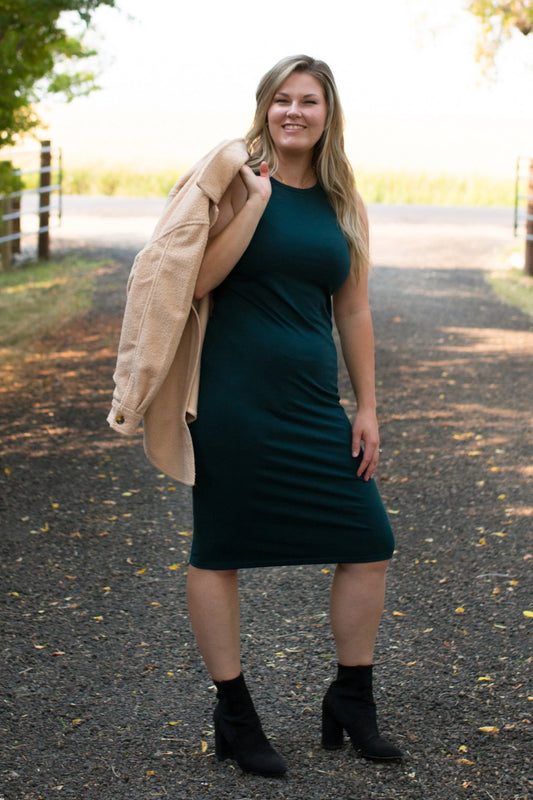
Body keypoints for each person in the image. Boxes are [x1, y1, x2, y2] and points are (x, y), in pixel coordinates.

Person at [108, 54, 402, 779]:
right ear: (265, 107)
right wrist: (258, 204)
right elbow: (195, 281)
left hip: (313, 403)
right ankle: (235, 714)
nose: (293, 111)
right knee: (220, 548)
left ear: (328, 114)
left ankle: (351, 698)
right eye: (281, 99)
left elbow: (352, 308)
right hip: (230, 402)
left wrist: (367, 406)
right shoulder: (238, 182)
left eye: (308, 100)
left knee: (368, 540)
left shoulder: (344, 202)